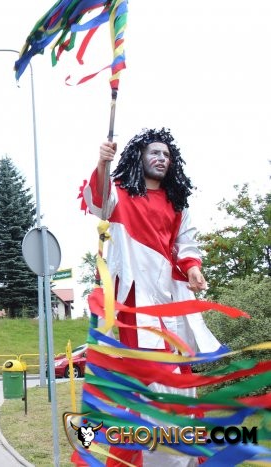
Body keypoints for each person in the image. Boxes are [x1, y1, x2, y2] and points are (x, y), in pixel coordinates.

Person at [80, 128, 221, 467]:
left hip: (172, 299)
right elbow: (98, 202)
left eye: (166, 154)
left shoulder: (177, 202)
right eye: (154, 152)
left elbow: (186, 243)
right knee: (150, 378)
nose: (161, 158)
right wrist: (102, 162)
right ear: (139, 157)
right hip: (136, 300)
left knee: (181, 377)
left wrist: (193, 268)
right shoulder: (121, 194)